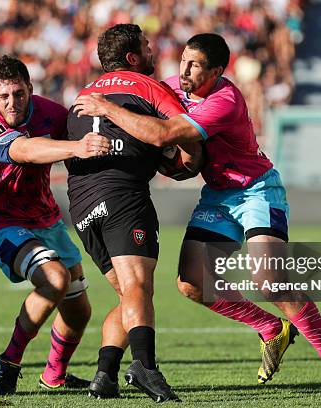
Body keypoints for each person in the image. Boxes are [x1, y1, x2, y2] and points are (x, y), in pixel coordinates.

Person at [73, 33, 321, 397]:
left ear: (217, 71)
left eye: (195, 65)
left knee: (268, 278)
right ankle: (272, 329)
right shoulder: (172, 86)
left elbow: (163, 134)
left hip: (256, 189)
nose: (184, 70)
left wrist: (108, 108)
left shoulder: (224, 99)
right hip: (218, 196)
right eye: (183, 61)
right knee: (192, 284)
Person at [66, 24, 202, 403]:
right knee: (139, 287)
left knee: (130, 295)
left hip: (80, 203)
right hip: (122, 196)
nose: (153, 50)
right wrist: (188, 163)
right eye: (146, 45)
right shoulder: (147, 86)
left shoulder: (84, 93)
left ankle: (105, 375)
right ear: (133, 58)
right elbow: (179, 131)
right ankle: (146, 366)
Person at [0, 55, 111, 395]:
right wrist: (78, 147)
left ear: (30, 88)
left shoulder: (51, 113)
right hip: (1, 222)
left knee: (79, 311)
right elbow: (25, 151)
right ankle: (8, 361)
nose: (12, 103)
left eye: (18, 93)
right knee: (55, 278)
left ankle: (54, 376)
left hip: (46, 220)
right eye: (3, 96)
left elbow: (86, 134)